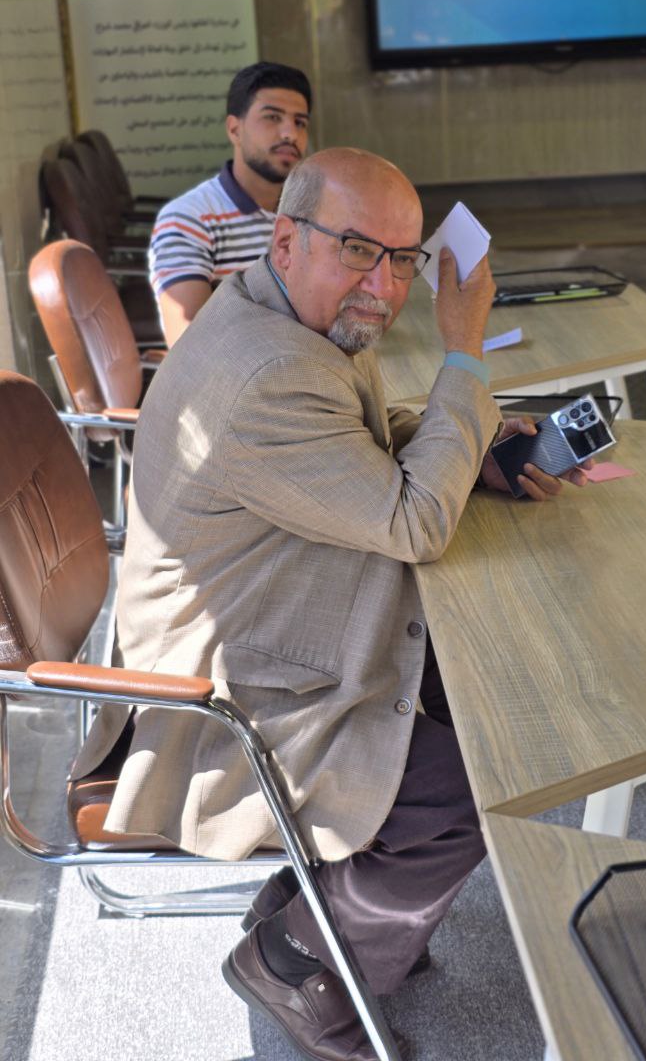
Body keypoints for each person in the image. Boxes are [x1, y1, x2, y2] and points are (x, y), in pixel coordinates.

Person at [77, 148, 591, 1061]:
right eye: (358, 250)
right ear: (285, 240)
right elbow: (412, 522)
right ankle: (295, 963)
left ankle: (322, 902)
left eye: (402, 260)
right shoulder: (268, 371)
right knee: (469, 787)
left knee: (473, 692)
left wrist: (468, 449)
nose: (384, 288)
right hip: (225, 689)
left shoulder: (278, 313)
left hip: (269, 616)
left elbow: (358, 437)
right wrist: (463, 354)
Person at [149, 59, 312, 345]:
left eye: (300, 122)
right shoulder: (188, 219)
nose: (290, 133)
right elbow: (192, 347)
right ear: (234, 130)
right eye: (273, 117)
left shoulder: (313, 212)